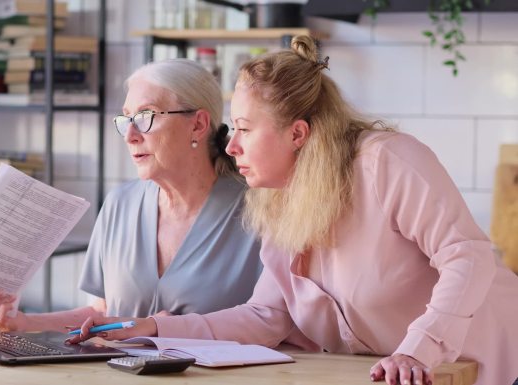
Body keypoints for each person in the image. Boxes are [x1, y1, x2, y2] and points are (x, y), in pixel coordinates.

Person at [71, 36, 518, 385]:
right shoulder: (279, 196)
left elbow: (467, 254)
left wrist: (418, 348)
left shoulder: (386, 162)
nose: (230, 145)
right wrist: (148, 328)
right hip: (406, 373)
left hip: (490, 360)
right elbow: (266, 317)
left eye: (244, 128)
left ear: (297, 134)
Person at [0, 59, 263, 332]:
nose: (130, 134)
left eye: (144, 117)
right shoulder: (119, 204)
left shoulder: (260, 211)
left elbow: (271, 322)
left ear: (198, 125)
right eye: (126, 119)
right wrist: (22, 323)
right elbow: (101, 314)